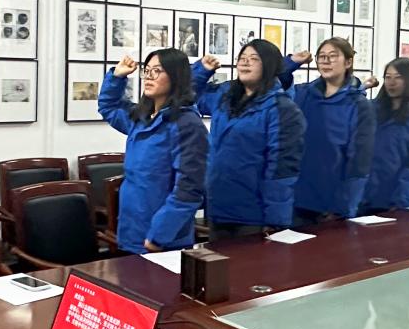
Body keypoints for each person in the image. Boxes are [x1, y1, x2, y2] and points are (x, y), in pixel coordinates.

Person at [97, 49, 207, 254]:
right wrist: (117, 77)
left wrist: (160, 235)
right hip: (132, 229)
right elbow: (109, 107)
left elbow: (189, 188)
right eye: (147, 71)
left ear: (175, 76)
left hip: (162, 238)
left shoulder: (186, 123)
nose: (149, 77)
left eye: (157, 71)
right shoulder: (142, 117)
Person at [192, 40, 305, 239]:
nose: (245, 62)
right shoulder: (225, 97)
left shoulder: (282, 108)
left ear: (269, 65)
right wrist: (202, 71)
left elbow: (282, 169)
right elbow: (189, 95)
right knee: (217, 259)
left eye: (254, 59)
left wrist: (276, 221)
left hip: (254, 214)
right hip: (219, 205)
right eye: (242, 58)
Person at [278, 38, 376, 221]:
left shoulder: (359, 104)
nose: (326, 61)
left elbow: (359, 162)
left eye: (332, 56)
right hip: (297, 198)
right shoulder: (303, 94)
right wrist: (292, 62)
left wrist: (345, 207)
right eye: (321, 57)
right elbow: (271, 81)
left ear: (348, 62)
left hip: (332, 205)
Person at [364, 58, 409, 211]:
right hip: (366, 196)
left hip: (399, 198)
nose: (392, 82)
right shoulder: (371, 110)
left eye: (398, 77)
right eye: (388, 77)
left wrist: (403, 199)